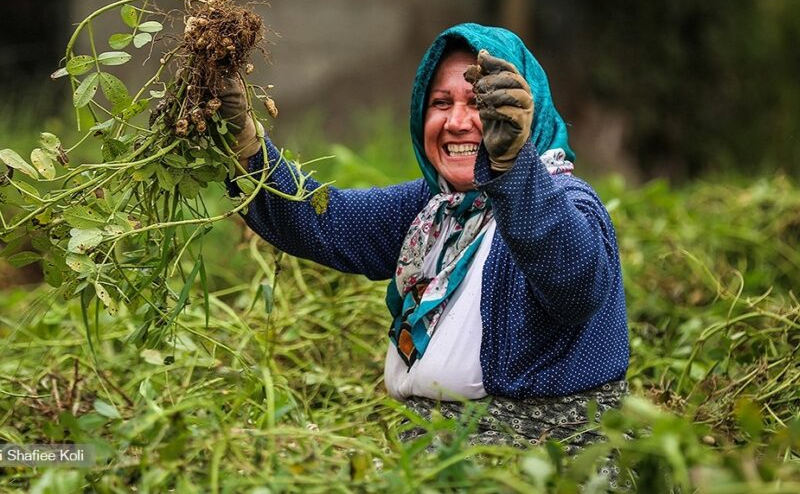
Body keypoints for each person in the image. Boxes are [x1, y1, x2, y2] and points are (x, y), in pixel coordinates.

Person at [221, 23, 629, 451]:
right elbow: (325, 220)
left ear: (525, 115)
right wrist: (246, 143)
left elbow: (576, 284)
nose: (456, 122)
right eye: (440, 103)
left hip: (541, 453)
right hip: (435, 444)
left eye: (480, 104)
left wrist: (513, 165)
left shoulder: (562, 199)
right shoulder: (436, 208)